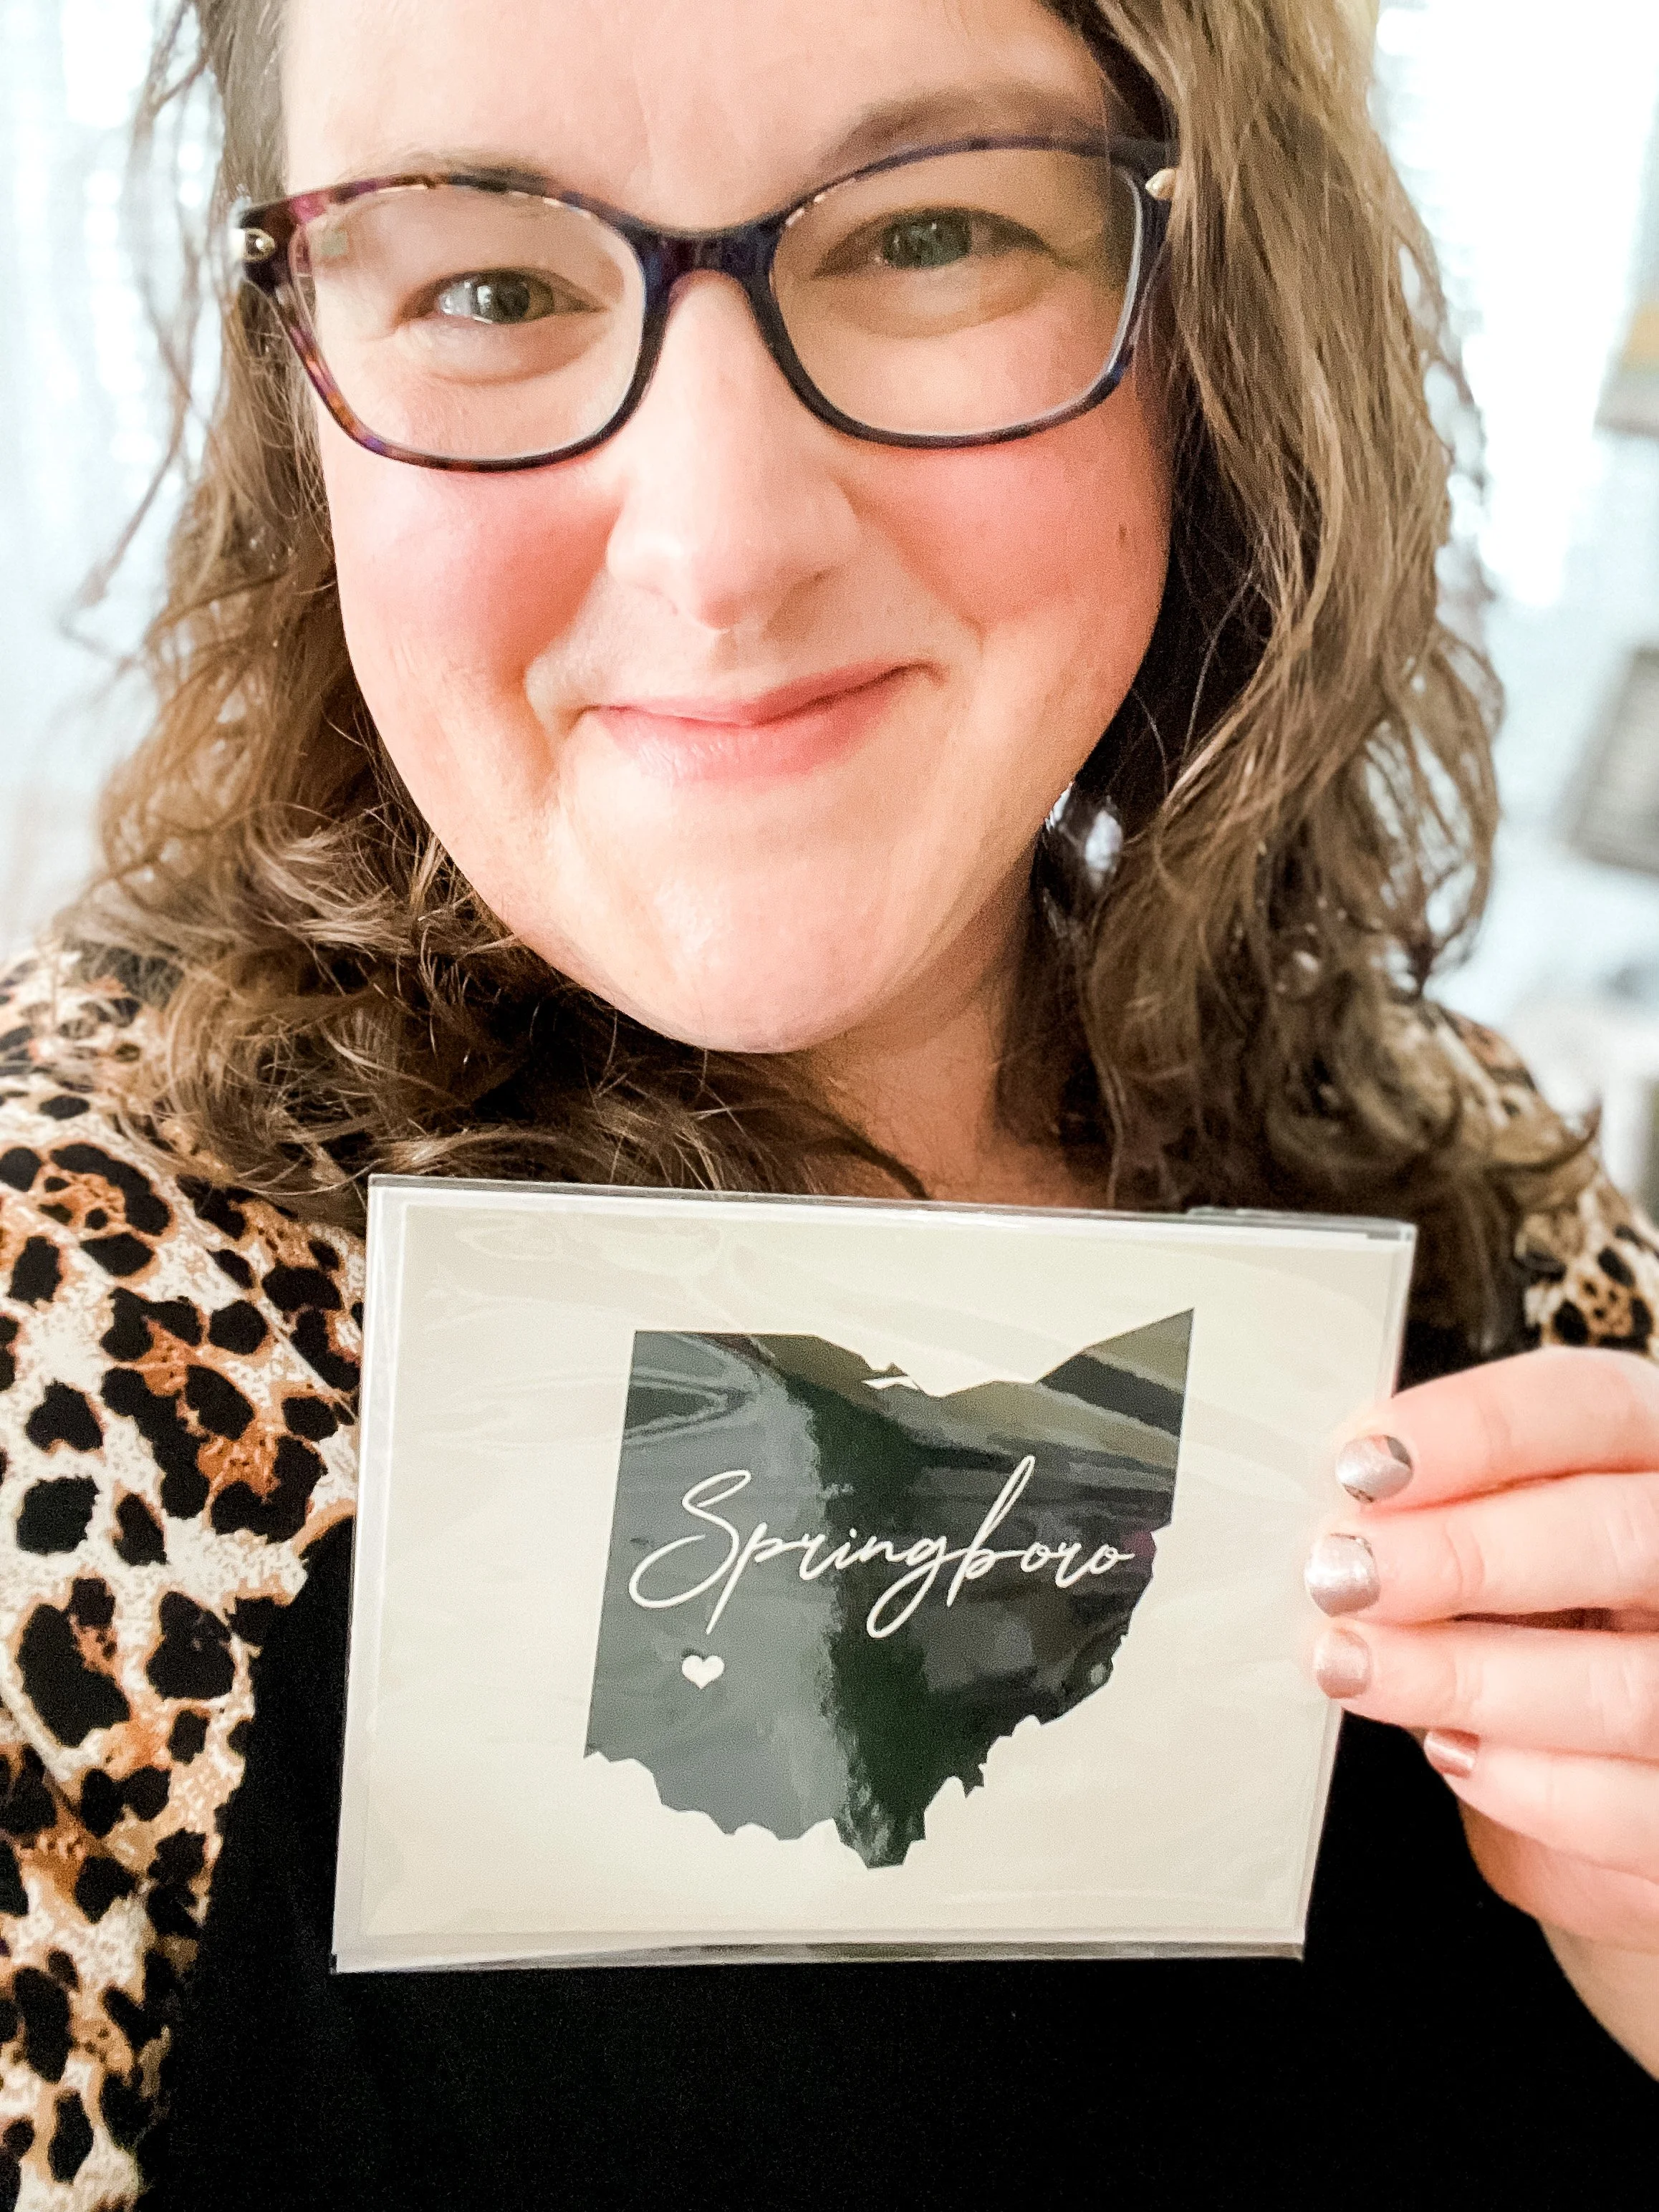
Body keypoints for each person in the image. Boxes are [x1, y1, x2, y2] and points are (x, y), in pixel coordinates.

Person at [0, 0, 1655, 2201]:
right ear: (291, 383)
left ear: (1222, 328)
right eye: (489, 287)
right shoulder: (53, 1326)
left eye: (933, 233)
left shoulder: (1482, 1192)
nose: (717, 548)